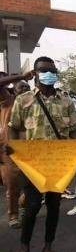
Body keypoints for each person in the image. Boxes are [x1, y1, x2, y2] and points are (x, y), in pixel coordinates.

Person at [8, 56, 76, 252]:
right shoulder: (24, 100)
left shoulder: (67, 101)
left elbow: (75, 130)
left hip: (59, 163)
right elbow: (13, 127)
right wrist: (15, 150)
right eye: (44, 70)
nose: (48, 73)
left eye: (52, 69)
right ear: (35, 73)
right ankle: (24, 250)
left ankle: (48, 248)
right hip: (34, 162)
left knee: (54, 207)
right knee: (31, 208)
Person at [0, 72, 31, 229]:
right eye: (21, 86)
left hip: (32, 151)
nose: (25, 88)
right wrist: (21, 76)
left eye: (27, 86)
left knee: (33, 184)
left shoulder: (35, 102)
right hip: (11, 151)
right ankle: (13, 215)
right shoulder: (9, 101)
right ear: (14, 89)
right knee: (12, 185)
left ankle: (23, 205)